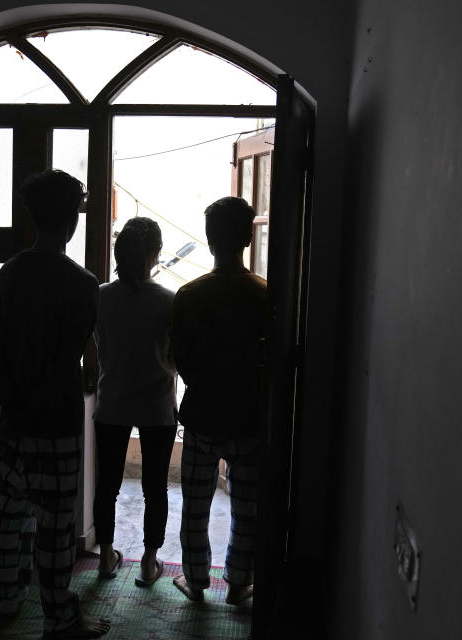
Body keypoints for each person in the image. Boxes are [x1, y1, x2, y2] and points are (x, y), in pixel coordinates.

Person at [0, 169, 109, 639]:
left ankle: (6, 598)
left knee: (9, 514)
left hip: (13, 420)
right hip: (54, 422)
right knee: (56, 530)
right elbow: (65, 361)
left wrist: (13, 406)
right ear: (73, 219)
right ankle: (59, 618)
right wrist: (36, 408)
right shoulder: (81, 283)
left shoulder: (9, 272)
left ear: (32, 216)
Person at [169, 197, 267, 605]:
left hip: (203, 417)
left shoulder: (190, 295)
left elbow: (182, 360)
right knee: (248, 508)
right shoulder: (266, 294)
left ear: (209, 241)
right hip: (250, 418)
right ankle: (239, 581)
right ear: (248, 237)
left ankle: (195, 581)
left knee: (195, 506)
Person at [92, 217, 178, 587]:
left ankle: (106, 556)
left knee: (107, 484)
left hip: (111, 400)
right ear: (155, 254)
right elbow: (175, 354)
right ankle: (148, 560)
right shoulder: (167, 300)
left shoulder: (101, 295)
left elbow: (100, 346)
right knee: (155, 485)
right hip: (157, 405)